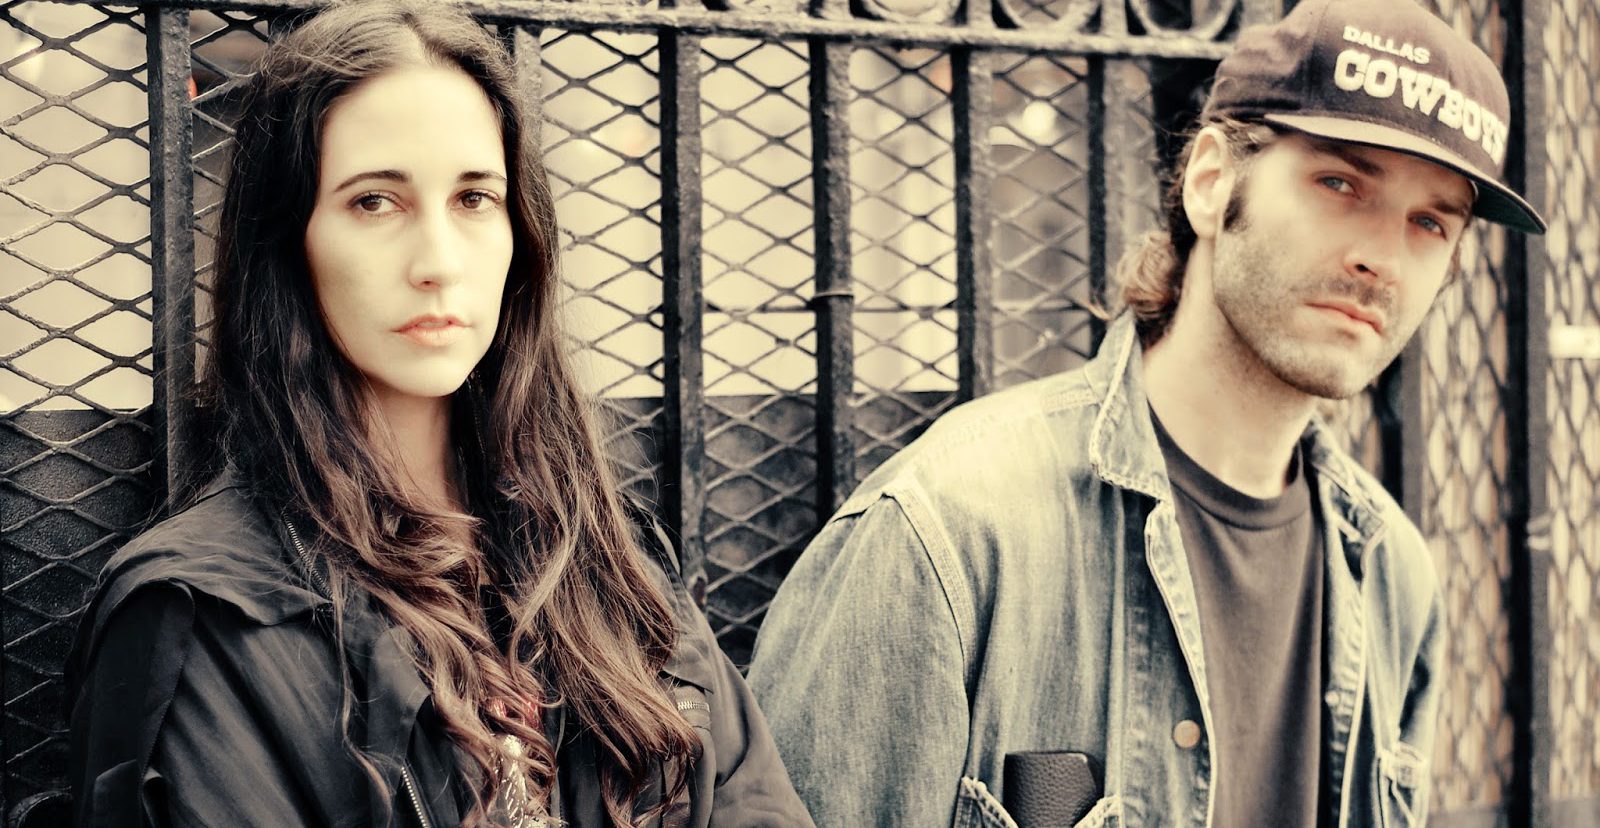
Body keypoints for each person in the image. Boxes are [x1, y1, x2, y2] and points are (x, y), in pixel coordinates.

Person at [748, 0, 1545, 825]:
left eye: (1430, 222)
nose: (1381, 257)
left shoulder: (1392, 575)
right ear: (1211, 182)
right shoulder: (949, 532)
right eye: (1340, 183)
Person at [65, 2, 812, 826]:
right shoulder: (201, 619)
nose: (439, 262)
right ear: (289, 240)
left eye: (474, 197)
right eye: (374, 202)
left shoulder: (600, 554)